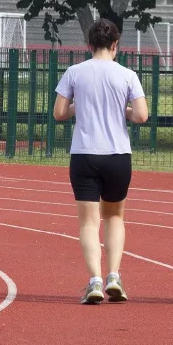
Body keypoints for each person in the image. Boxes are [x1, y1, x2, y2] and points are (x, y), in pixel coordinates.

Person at [53, 18, 149, 305]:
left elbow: (59, 112)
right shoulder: (127, 75)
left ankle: (94, 280)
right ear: (115, 45)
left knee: (88, 222)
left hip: (84, 154)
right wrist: (124, 111)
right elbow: (142, 115)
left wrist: (77, 106)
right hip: (118, 154)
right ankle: (114, 276)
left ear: (89, 44)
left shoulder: (74, 72)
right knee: (115, 217)